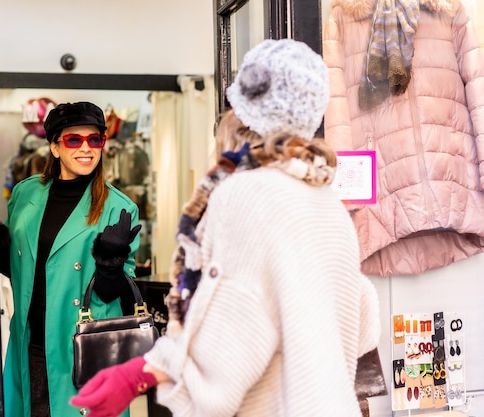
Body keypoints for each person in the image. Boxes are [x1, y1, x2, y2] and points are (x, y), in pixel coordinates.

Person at [70, 39, 381, 417]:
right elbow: (363, 322)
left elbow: (232, 338)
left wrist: (138, 374)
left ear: (246, 120)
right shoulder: (325, 200)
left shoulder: (246, 195)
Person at [0, 101, 142, 417]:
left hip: (83, 351)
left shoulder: (119, 209)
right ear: (54, 147)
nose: (86, 148)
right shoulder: (26, 195)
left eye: (95, 140)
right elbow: (19, 264)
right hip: (31, 345)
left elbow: (119, 296)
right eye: (74, 140)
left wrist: (111, 265)